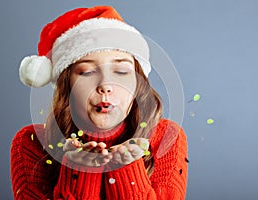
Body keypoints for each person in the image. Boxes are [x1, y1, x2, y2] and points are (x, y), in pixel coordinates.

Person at [10, 5, 188, 200]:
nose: (106, 85)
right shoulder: (32, 142)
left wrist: (127, 169)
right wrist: (80, 169)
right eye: (87, 72)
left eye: (121, 72)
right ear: (67, 85)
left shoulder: (167, 138)